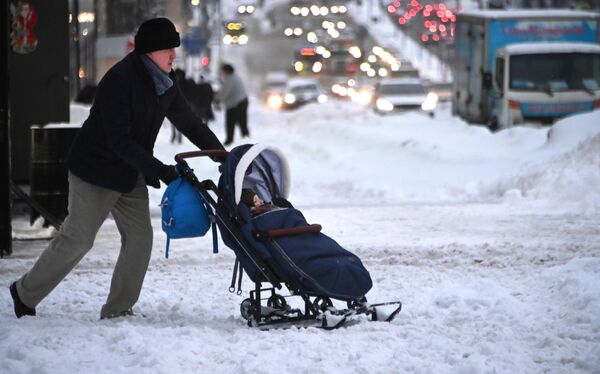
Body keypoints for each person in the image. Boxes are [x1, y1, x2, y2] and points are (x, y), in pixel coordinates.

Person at [8, 17, 225, 320]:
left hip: (128, 173)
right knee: (78, 239)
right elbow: (119, 141)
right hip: (95, 172)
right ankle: (24, 292)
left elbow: (188, 121)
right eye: (168, 50)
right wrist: (161, 170)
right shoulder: (120, 81)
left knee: (140, 239)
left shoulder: (166, 82)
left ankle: (118, 308)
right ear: (150, 51)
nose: (174, 55)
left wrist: (219, 154)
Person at [217, 63, 249, 146]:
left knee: (230, 122)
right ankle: (245, 137)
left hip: (236, 104)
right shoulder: (235, 77)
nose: (222, 73)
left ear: (226, 71)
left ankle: (229, 140)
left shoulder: (230, 79)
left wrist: (217, 99)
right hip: (241, 101)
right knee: (242, 121)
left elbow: (225, 92)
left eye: (222, 71)